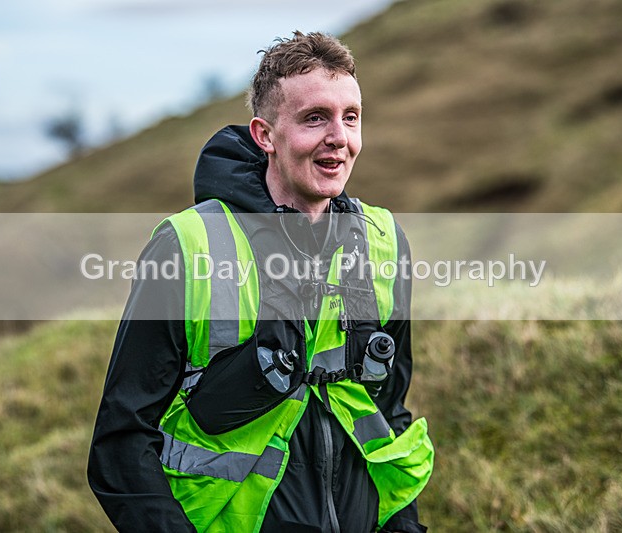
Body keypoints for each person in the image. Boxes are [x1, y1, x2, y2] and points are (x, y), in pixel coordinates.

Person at [88, 31, 433, 532]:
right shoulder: (188, 245)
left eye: (351, 117)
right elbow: (121, 442)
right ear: (265, 135)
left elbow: (388, 410)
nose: (339, 137)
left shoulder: (385, 241)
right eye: (315, 117)